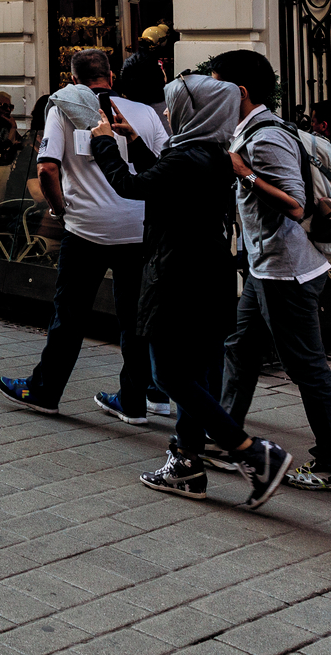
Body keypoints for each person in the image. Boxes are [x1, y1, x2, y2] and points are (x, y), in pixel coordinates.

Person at [86, 74, 294, 507]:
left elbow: (133, 187)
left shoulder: (187, 157)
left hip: (176, 275)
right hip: (208, 274)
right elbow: (163, 180)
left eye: (174, 105)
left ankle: (252, 452)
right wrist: (134, 142)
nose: (166, 112)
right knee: (195, 373)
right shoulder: (212, 153)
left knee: (168, 374)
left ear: (195, 112)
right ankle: (186, 464)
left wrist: (104, 142)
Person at [210, 48, 331, 493]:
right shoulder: (251, 129)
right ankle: (227, 439)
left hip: (286, 272)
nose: (212, 95)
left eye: (216, 86)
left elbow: (294, 204)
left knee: (306, 366)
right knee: (240, 350)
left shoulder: (265, 138)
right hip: (267, 268)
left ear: (239, 91)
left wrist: (243, 172)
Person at [0, 48, 168, 422]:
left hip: (86, 230)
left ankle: (45, 391)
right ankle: (134, 401)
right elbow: (160, 171)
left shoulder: (62, 109)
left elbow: (46, 169)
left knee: (70, 316)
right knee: (134, 320)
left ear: (73, 80)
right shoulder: (144, 113)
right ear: (111, 76)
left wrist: (59, 209)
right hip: (136, 230)